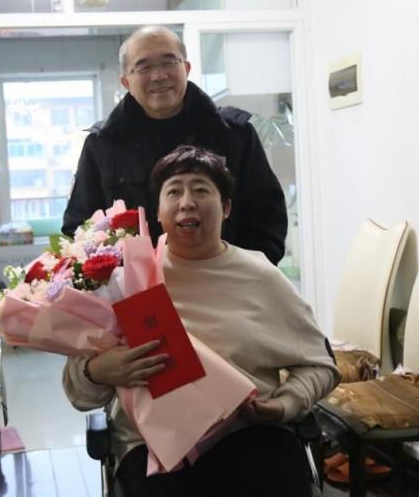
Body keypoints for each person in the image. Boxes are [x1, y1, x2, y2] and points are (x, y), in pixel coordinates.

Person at [62, 146, 340, 497]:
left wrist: (285, 404)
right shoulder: (125, 282)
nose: (187, 202)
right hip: (154, 447)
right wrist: (98, 371)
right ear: (157, 211)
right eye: (174, 191)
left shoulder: (261, 276)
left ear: (226, 207)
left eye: (201, 190)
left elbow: (321, 365)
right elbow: (78, 391)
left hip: (250, 434)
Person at [62, 25, 288, 265]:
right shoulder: (103, 145)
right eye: (144, 67)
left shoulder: (234, 135)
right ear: (126, 81)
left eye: (169, 62)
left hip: (222, 281)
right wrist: (118, 276)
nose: (158, 76)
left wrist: (241, 273)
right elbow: (80, 229)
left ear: (186, 68)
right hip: (134, 286)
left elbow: (267, 217)